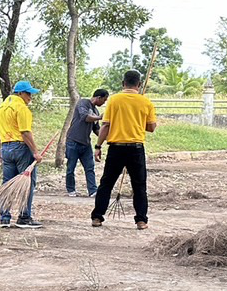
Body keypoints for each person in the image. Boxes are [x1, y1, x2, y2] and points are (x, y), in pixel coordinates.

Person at [90, 70, 158, 230]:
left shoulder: (114, 100)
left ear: (123, 83)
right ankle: (141, 220)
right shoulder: (146, 102)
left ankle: (97, 217)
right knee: (139, 186)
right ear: (139, 85)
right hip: (136, 148)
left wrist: (98, 146)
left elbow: (105, 125)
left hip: (116, 149)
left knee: (106, 183)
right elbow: (152, 127)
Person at [0, 79, 43, 228]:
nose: (30, 97)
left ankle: (4, 218)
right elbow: (25, 132)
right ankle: (24, 217)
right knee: (27, 182)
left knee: (7, 183)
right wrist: (35, 152)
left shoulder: (1, 108)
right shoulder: (21, 108)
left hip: (6, 148)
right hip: (21, 148)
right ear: (20, 93)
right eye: (28, 94)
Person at [65, 88, 109, 199]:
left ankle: (93, 190)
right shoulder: (83, 103)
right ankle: (71, 189)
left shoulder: (96, 111)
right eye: (104, 100)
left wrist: (107, 138)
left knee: (90, 167)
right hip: (73, 141)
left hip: (86, 143)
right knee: (71, 167)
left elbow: (96, 129)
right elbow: (86, 117)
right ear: (98, 97)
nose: (104, 103)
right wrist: (100, 117)